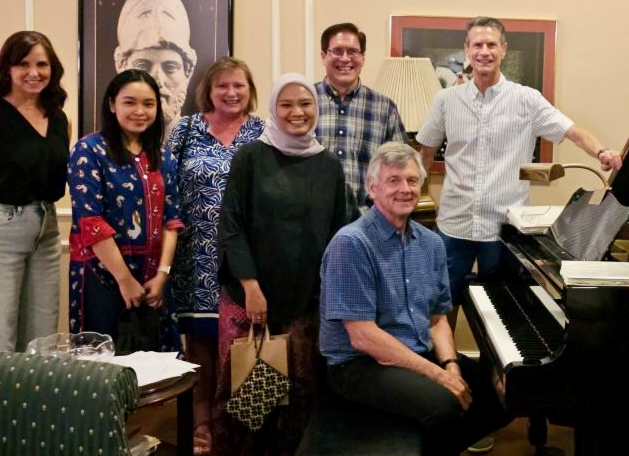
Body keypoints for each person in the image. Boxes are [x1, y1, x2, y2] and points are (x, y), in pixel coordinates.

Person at [416, 16, 623, 306]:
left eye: (491, 44)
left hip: (503, 229)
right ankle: (445, 355)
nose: (484, 51)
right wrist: (412, 192)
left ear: (503, 50)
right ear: (467, 50)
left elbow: (572, 132)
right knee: (440, 304)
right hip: (454, 225)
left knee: (503, 308)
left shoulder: (526, 99)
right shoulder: (446, 100)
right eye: (477, 45)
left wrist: (602, 152)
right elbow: (425, 152)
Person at [320, 142, 511, 456]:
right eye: (393, 181)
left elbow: (437, 319)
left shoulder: (432, 243)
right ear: (372, 188)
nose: (405, 189)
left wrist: (451, 365)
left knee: (504, 393)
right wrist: (436, 375)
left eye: (411, 180)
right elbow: (363, 336)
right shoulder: (352, 244)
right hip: (360, 365)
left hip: (417, 352)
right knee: (445, 406)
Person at [213, 73, 346, 455]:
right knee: (249, 398)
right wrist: (252, 288)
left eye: (305, 104)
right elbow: (232, 227)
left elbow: (338, 234)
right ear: (273, 108)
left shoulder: (328, 167)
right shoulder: (251, 157)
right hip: (251, 299)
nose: (296, 112)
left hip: (305, 301)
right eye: (286, 104)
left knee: (299, 395)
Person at [166, 56, 264, 456]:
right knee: (202, 343)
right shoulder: (185, 130)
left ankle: (240, 421)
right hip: (194, 257)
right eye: (222, 85)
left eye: (238, 85)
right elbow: (166, 187)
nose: (231, 92)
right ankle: (203, 421)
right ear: (208, 89)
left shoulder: (262, 131)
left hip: (245, 257)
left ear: (249, 89)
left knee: (244, 340)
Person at [67, 69, 182, 348]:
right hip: (102, 275)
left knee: (155, 368)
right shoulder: (89, 150)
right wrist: (124, 279)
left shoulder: (162, 155)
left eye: (148, 103)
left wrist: (162, 275)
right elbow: (91, 223)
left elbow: (173, 220)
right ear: (111, 104)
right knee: (104, 366)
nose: (139, 111)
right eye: (129, 102)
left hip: (153, 279)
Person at [0, 31, 70, 352]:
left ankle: (32, 403)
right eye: (23, 64)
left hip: (47, 227)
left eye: (41, 64)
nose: (33, 72)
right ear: (7, 69)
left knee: (41, 340)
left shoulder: (59, 119)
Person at [315, 22, 407, 220]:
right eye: (337, 51)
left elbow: (400, 168)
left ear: (363, 57)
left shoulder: (384, 108)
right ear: (323, 56)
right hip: (311, 223)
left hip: (367, 222)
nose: (345, 58)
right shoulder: (305, 102)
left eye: (353, 52)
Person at [114, 0, 197, 139]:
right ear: (121, 66)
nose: (157, 80)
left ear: (187, 71)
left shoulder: (201, 149)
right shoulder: (97, 150)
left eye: (170, 67)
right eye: (143, 66)